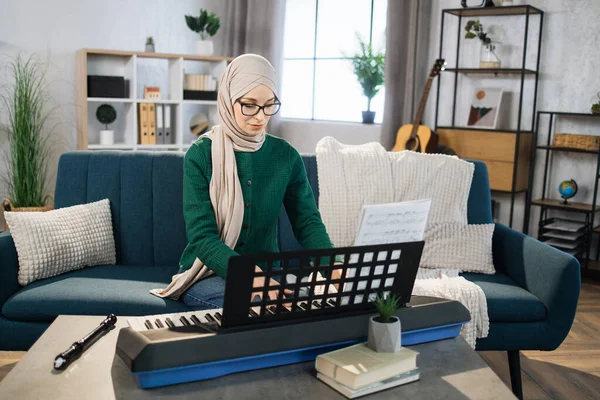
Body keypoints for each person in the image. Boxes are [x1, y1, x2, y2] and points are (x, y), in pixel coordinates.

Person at [151, 54, 341, 309]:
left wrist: (334, 265)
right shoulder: (200, 155)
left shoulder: (286, 156)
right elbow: (202, 238)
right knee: (254, 305)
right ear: (229, 100)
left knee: (314, 303)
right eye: (249, 105)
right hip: (209, 274)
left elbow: (307, 222)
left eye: (269, 105)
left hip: (269, 275)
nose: (260, 117)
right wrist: (253, 279)